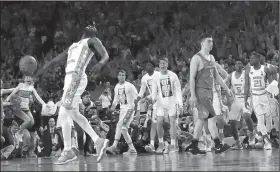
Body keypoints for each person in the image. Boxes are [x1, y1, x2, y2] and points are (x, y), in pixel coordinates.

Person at [37, 24, 110, 164]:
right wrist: (41, 69)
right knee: (74, 114)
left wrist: (100, 64)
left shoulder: (92, 40)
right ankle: (98, 140)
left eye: (93, 26)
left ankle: (68, 150)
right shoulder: (73, 46)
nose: (90, 25)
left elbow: (105, 55)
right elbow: (56, 59)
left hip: (76, 77)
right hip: (68, 79)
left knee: (63, 111)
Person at [188, 35, 233, 155]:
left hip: (209, 92)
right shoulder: (196, 58)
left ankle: (193, 145)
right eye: (209, 41)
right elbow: (191, 78)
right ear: (202, 43)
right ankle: (218, 145)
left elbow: (217, 76)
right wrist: (192, 95)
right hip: (200, 91)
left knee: (202, 119)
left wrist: (227, 89)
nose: (211, 43)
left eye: (212, 41)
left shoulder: (212, 58)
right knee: (212, 117)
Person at [151, 57, 183, 154]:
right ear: (159, 65)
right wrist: (153, 101)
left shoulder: (173, 76)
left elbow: (178, 91)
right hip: (160, 103)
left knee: (172, 121)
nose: (162, 65)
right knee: (159, 122)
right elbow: (154, 90)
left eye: (164, 63)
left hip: (171, 102)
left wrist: (180, 104)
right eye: (161, 63)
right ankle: (161, 144)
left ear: (167, 64)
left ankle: (173, 145)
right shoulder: (156, 77)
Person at [244, 51, 273, 150]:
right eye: (250, 58)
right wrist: (245, 99)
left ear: (258, 59)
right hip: (255, 97)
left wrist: (275, 95)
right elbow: (247, 85)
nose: (251, 60)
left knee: (268, 119)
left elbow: (271, 83)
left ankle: (263, 137)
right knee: (260, 120)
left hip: (265, 96)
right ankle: (267, 141)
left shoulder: (265, 69)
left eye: (253, 58)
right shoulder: (248, 70)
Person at [106, 69, 139, 155]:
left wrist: (136, 109)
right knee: (121, 128)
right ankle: (131, 148)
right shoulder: (116, 87)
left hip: (130, 109)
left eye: (123, 75)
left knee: (123, 127)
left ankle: (114, 146)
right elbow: (116, 99)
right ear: (117, 76)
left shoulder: (130, 86)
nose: (121, 77)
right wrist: (112, 107)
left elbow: (137, 97)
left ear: (125, 76)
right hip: (122, 109)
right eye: (120, 75)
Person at [226, 59, 255, 149]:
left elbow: (250, 67)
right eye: (236, 63)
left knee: (246, 116)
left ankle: (251, 134)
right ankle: (237, 143)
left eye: (239, 63)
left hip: (247, 98)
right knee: (232, 122)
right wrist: (228, 101)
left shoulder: (246, 73)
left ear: (242, 65)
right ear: (234, 66)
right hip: (236, 99)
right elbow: (227, 88)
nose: (237, 64)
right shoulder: (231, 75)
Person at [135, 60, 159, 153]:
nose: (148, 67)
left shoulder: (158, 74)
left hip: (162, 99)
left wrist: (151, 98)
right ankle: (152, 144)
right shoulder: (144, 78)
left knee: (163, 123)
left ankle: (169, 143)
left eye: (150, 65)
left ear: (153, 67)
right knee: (154, 122)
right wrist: (138, 99)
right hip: (154, 102)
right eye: (146, 65)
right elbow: (142, 91)